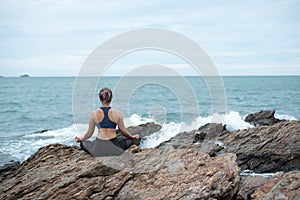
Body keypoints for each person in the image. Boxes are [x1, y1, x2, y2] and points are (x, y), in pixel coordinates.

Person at [74, 87, 140, 156]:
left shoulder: (94, 114)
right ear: (111, 99)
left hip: (98, 150)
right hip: (115, 149)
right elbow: (123, 131)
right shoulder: (118, 113)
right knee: (133, 140)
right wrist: (132, 137)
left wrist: (81, 139)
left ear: (100, 99)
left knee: (83, 143)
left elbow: (89, 133)